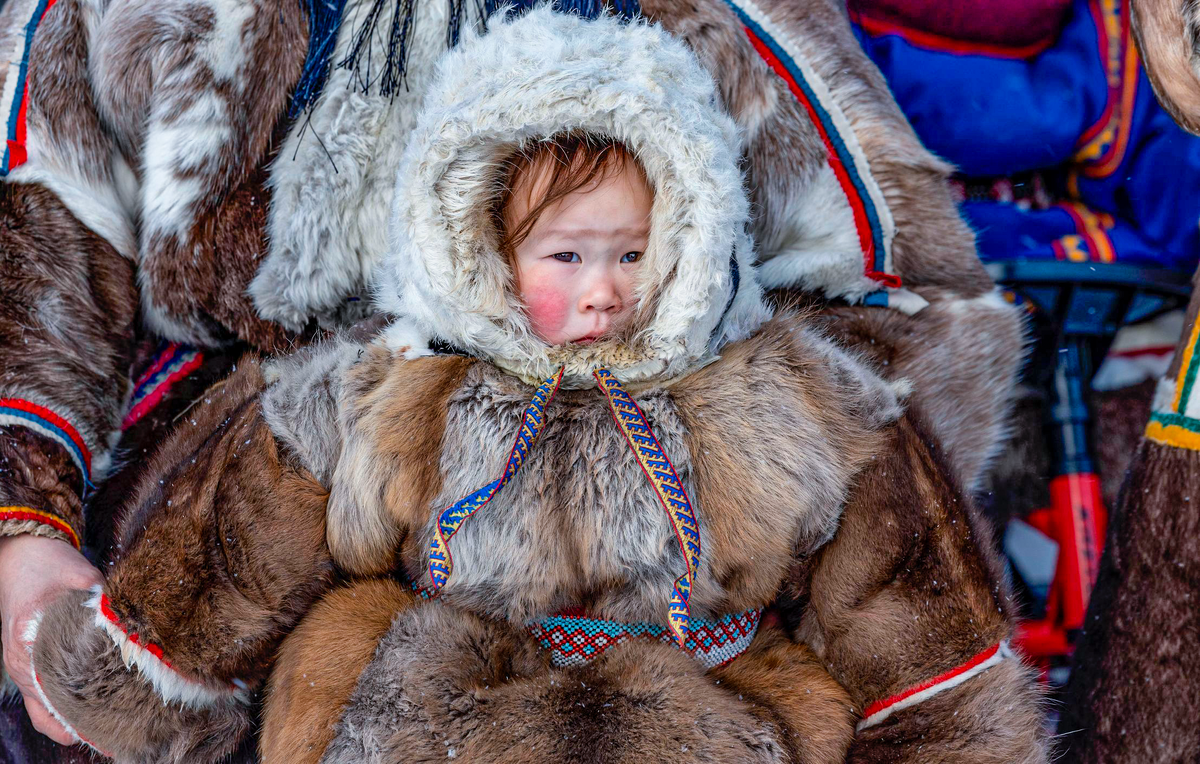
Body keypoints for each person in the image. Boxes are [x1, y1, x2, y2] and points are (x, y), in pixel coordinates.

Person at [1, 0, 1027, 760]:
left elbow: (899, 301)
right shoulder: (353, 400)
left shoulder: (714, 24)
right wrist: (26, 529)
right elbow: (40, 225)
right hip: (222, 552)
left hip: (694, 652)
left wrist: (715, 523)